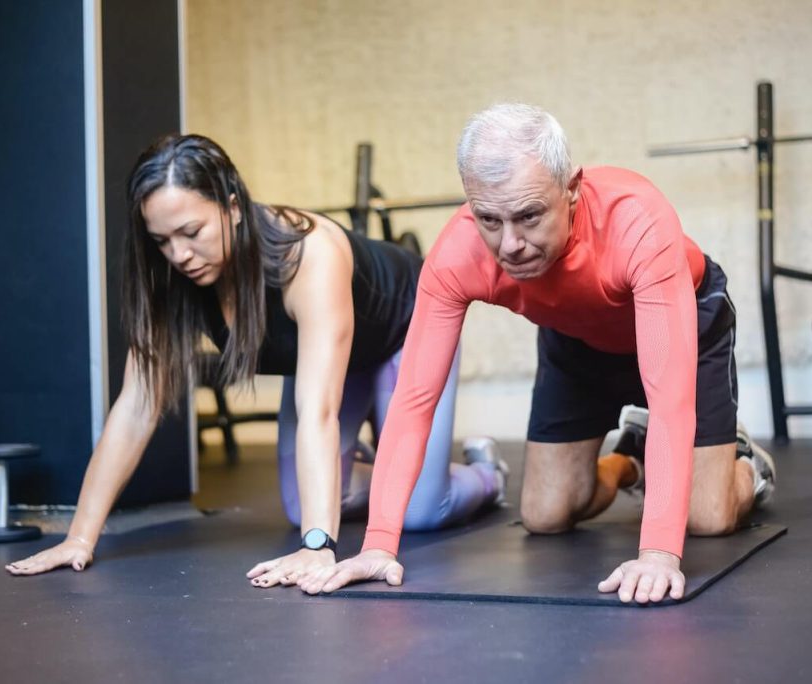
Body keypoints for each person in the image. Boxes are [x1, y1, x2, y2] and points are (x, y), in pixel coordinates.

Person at [298, 103, 776, 604]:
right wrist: (378, 545)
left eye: (528, 216)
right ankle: (629, 460)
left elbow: (671, 400)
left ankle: (745, 464)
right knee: (547, 515)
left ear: (571, 190)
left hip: (683, 318)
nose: (510, 245)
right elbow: (415, 399)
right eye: (489, 218)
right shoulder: (458, 255)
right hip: (576, 336)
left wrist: (657, 553)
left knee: (707, 519)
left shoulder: (637, 222)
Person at [4, 134, 506, 585]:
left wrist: (318, 547)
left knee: (417, 510)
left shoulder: (307, 255)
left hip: (404, 332)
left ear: (233, 207)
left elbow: (318, 411)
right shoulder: (172, 281)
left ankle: (485, 473)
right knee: (300, 506)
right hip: (337, 357)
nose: (178, 254)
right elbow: (135, 407)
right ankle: (399, 466)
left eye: (191, 231)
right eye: (162, 241)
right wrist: (80, 539)